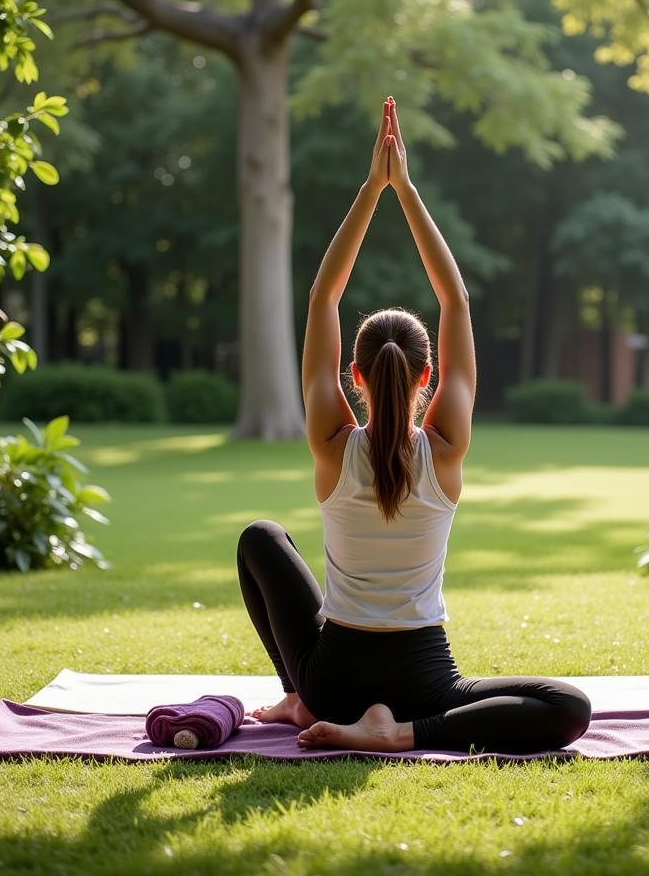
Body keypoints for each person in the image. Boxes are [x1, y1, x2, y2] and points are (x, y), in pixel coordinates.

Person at [235, 96, 592, 754]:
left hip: (334, 676)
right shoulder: (446, 450)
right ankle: (401, 733)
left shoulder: (331, 444)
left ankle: (306, 694)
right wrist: (408, 191)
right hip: (427, 682)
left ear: (356, 376)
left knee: (260, 537)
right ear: (426, 378)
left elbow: (323, 298)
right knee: (568, 708)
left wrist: (373, 189)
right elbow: (454, 299)